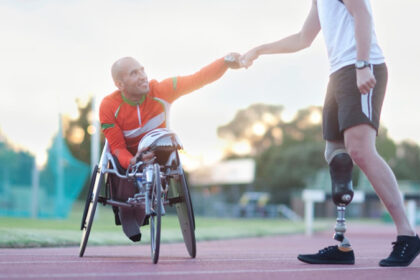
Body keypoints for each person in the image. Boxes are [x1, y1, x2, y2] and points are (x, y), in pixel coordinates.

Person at [240, 0, 420, 267]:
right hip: (338, 74)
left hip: (360, 67)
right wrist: (260, 49)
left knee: (359, 149)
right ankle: (342, 245)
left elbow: (362, 13)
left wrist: (361, 64)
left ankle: (407, 234)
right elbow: (303, 38)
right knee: (336, 155)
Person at [99, 53, 242, 242]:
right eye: (134, 73)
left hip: (158, 151)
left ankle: (151, 198)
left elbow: (198, 79)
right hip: (128, 156)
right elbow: (117, 148)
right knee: (119, 165)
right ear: (120, 84)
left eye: (142, 70)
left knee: (166, 153)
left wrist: (224, 63)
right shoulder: (108, 106)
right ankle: (126, 212)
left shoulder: (162, 90)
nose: (143, 76)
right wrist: (134, 160)